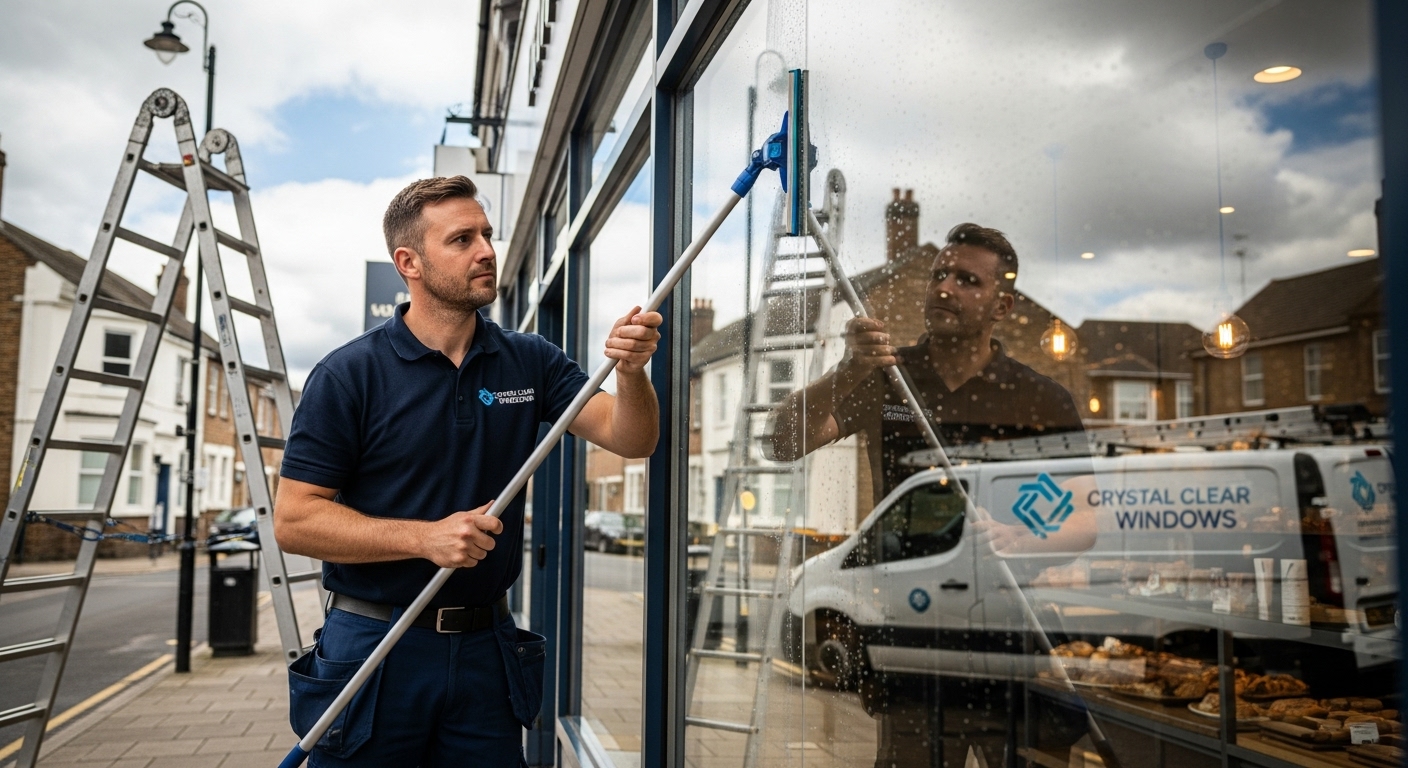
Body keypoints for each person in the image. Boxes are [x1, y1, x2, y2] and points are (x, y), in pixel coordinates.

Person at [273, 175, 661, 767]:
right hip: (375, 647)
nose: (485, 250)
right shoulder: (349, 374)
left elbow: (631, 437)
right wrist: (423, 538)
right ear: (410, 263)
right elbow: (295, 522)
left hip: (486, 652)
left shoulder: (529, 360)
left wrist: (631, 374)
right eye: (461, 239)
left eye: (486, 233)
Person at [766, 222, 1094, 767]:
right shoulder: (886, 378)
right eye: (940, 274)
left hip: (1009, 636)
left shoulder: (1041, 399)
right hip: (912, 633)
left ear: (1003, 305)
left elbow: (1084, 522)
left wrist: (1021, 539)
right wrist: (846, 370)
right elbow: (783, 442)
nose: (945, 287)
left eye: (968, 280)